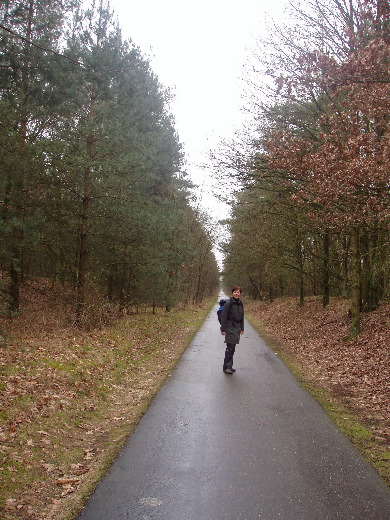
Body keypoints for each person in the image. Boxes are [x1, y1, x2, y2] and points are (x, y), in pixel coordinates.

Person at [220, 286, 244, 374]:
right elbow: (224, 317)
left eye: (238, 292)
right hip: (230, 327)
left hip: (237, 328)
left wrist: (242, 328)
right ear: (232, 293)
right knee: (230, 348)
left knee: (232, 348)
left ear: (240, 294)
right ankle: (227, 367)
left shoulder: (240, 303)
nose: (237, 294)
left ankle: (227, 366)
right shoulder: (228, 303)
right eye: (235, 292)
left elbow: (242, 317)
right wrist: (223, 329)